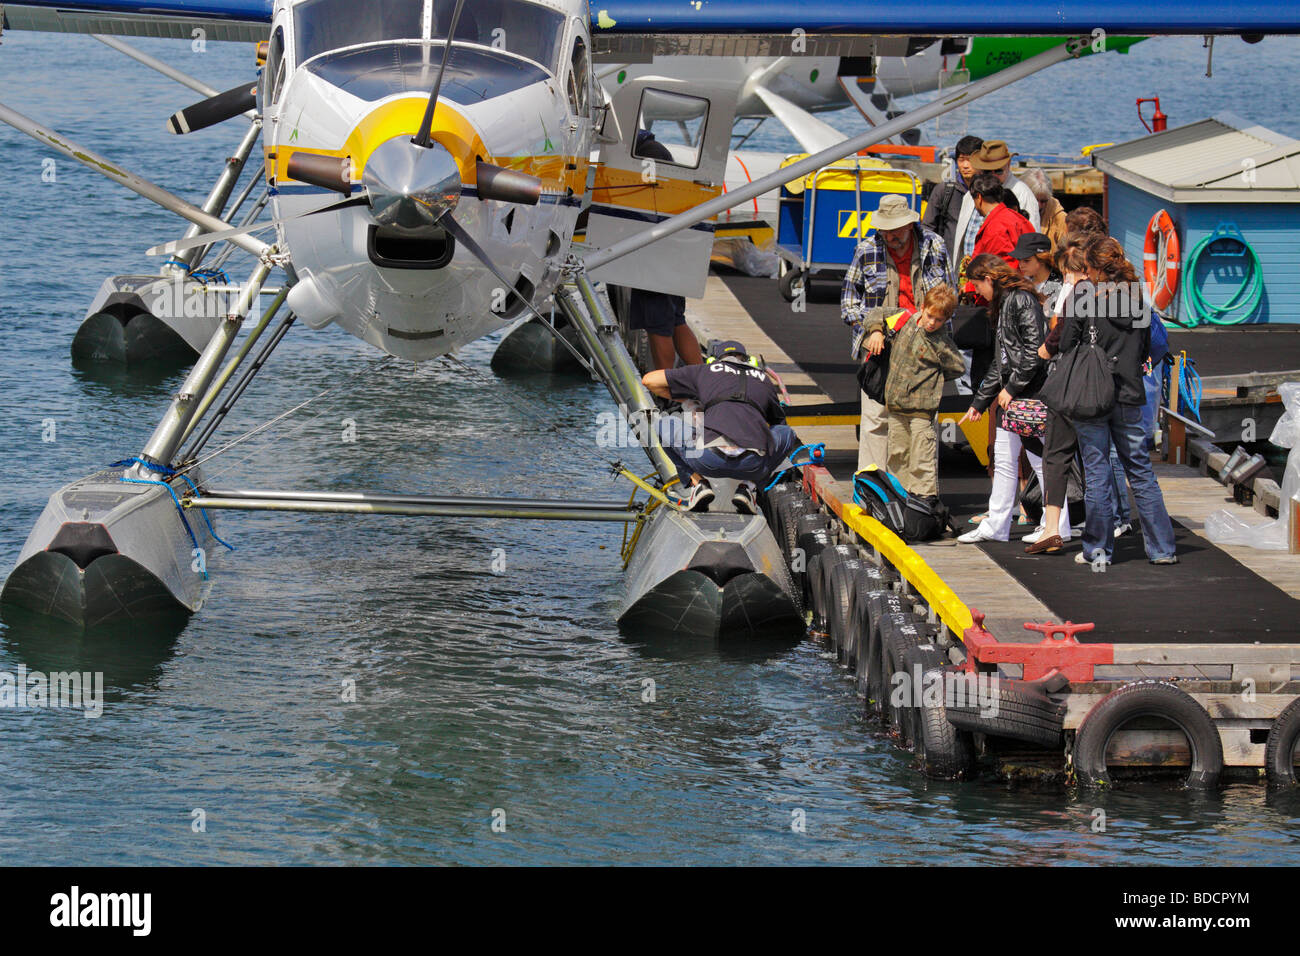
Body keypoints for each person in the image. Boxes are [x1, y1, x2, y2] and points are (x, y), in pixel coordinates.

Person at [1058, 236, 1178, 566]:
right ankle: (1163, 550)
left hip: (1092, 394)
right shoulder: (1138, 298)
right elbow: (1156, 346)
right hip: (1129, 392)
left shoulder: (1084, 296)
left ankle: (1098, 550)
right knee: (1140, 471)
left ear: (1093, 268)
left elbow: (1065, 342)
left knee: (1096, 474)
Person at [956, 254, 1070, 544]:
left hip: (1028, 393)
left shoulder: (1019, 300)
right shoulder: (1006, 302)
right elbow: (1001, 359)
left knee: (1040, 459)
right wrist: (979, 403)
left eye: (977, 285)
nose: (976, 292)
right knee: (1009, 459)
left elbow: (1035, 350)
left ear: (989, 278)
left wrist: (1011, 388)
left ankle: (1056, 524)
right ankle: (999, 524)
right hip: (1016, 394)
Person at [842, 193, 950, 474]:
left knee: (921, 420)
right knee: (876, 419)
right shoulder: (866, 249)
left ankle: (917, 490)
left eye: (895, 230)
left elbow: (949, 296)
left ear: (908, 226)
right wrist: (870, 331)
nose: (890, 236)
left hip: (923, 345)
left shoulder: (934, 245)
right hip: (881, 346)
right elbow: (848, 303)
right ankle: (871, 486)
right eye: (885, 230)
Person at [643, 340, 800, 515]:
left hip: (707, 460)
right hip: (751, 464)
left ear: (715, 360)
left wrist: (691, 398)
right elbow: (779, 424)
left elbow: (649, 380)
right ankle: (749, 487)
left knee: (664, 423)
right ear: (748, 360)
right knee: (787, 433)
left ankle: (698, 484)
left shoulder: (706, 371)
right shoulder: (764, 380)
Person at [627, 129, 704, 371]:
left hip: (654, 257)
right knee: (676, 320)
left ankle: (667, 387)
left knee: (658, 325)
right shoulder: (657, 150)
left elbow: (638, 201)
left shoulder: (646, 155)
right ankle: (700, 378)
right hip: (672, 252)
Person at [880, 286, 966, 497]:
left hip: (921, 410)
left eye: (938, 320)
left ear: (945, 320)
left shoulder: (941, 342)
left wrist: (931, 379)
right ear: (922, 308)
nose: (932, 323)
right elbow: (876, 314)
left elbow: (957, 367)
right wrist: (874, 331)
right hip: (896, 405)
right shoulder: (905, 319)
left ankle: (923, 504)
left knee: (921, 459)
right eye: (929, 316)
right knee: (896, 455)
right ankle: (899, 499)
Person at [951, 141, 1039, 266]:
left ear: (1008, 165)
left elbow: (1033, 244)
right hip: (969, 273)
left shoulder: (1023, 194)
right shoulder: (971, 194)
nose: (993, 177)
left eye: (998, 171)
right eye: (987, 172)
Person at [922, 135, 983, 276]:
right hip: (947, 267)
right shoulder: (944, 190)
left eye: (970, 160)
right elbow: (927, 229)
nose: (965, 165)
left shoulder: (987, 192)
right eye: (961, 160)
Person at [969, 173, 1035, 270]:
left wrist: (971, 285)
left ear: (979, 198)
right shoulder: (1018, 218)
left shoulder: (995, 227)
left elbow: (1003, 270)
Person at [1020, 166, 1068, 253]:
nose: (1039, 205)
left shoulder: (1061, 220)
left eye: (1043, 201)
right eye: (1034, 200)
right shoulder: (1013, 211)